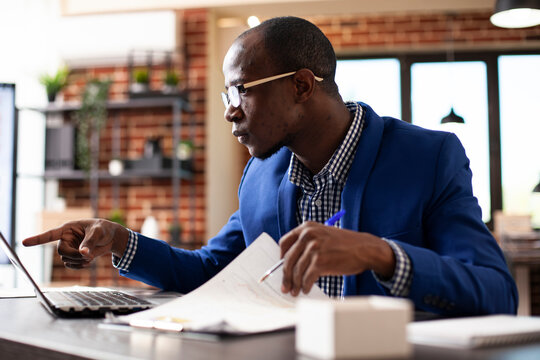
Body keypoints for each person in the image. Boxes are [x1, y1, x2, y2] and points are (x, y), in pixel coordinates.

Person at [24, 16, 517, 316]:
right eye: (227, 94)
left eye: (241, 90)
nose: (229, 110)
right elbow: (211, 271)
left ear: (302, 86)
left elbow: (497, 292)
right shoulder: (262, 176)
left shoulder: (427, 157)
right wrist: (121, 240)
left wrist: (380, 254)